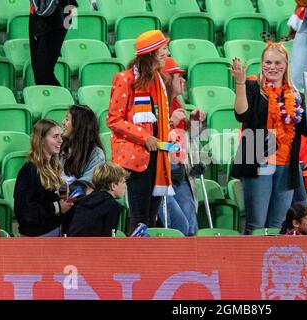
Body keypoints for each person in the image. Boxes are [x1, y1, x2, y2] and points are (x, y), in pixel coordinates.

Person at [229, 42, 307, 235]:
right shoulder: (252, 87)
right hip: (257, 157)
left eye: (278, 63)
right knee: (256, 225)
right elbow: (242, 115)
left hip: (287, 164)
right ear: (262, 64)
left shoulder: (296, 95)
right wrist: (239, 84)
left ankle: (271, 264)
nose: (272, 67)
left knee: (278, 225)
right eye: (268, 62)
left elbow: (305, 129)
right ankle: (249, 265)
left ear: (286, 65)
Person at [107, 30, 172, 232]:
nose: (167, 52)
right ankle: (136, 260)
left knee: (151, 219)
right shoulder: (125, 79)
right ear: (152, 53)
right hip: (134, 159)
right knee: (140, 218)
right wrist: (145, 138)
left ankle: (150, 260)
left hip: (157, 156)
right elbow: (114, 119)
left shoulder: (159, 81)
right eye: (163, 49)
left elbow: (155, 118)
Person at [157, 57, 205, 236]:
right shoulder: (155, 106)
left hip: (180, 171)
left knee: (191, 226)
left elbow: (189, 141)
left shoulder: (179, 105)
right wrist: (170, 123)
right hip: (161, 172)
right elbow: (150, 141)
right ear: (167, 79)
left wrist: (193, 122)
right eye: (179, 76)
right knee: (178, 226)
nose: (183, 81)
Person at [14, 119, 73, 237]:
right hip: (38, 237)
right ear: (41, 140)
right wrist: (58, 207)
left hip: (57, 230)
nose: (61, 140)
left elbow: (53, 195)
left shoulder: (55, 165)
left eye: (60, 136)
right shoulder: (29, 170)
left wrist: (65, 196)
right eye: (55, 136)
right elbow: (25, 212)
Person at [65, 162, 127, 237]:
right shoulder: (112, 205)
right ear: (113, 186)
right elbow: (108, 239)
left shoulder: (84, 199)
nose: (125, 186)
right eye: (123, 182)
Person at [29, 0, 78, 85]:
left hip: (61, 13)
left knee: (43, 72)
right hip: (36, 13)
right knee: (38, 71)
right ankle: (53, 98)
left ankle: (63, 98)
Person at [61, 104, 105, 184]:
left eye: (67, 119)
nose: (63, 122)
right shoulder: (60, 145)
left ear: (78, 125)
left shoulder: (96, 155)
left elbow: (85, 186)